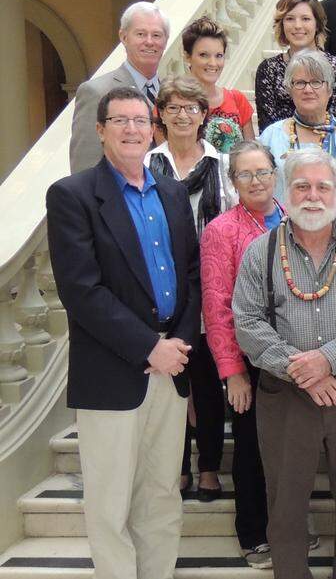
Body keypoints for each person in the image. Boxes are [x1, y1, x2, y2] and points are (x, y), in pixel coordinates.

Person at [47, 86, 199, 579]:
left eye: (140, 120)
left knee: (160, 494)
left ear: (153, 130)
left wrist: (175, 345)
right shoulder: (73, 196)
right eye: (120, 121)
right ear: (100, 130)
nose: (132, 129)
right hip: (114, 373)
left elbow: (191, 274)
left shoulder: (173, 193)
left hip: (171, 367)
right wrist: (148, 347)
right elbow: (82, 291)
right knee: (110, 503)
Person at [233, 149, 336, 579]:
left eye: (323, 186)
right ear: (287, 191)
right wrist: (300, 370)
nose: (312, 195)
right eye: (302, 186)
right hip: (284, 396)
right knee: (285, 508)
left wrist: (328, 359)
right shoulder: (260, 252)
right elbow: (246, 321)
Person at [144, 76, 235, 506]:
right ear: (160, 114)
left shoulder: (221, 165)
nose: (183, 115)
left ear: (204, 115)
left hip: (212, 285)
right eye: (173, 107)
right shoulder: (146, 166)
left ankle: (210, 467)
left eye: (191, 107)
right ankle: (177, 466)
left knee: (206, 380)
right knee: (171, 384)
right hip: (162, 288)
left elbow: (235, 222)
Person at [200, 141, 285, 569]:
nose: (257, 181)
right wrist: (233, 372)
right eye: (246, 175)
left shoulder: (293, 218)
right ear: (233, 182)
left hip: (293, 358)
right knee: (252, 449)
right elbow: (216, 307)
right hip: (249, 360)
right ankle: (254, 534)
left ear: (275, 173)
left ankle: (285, 526)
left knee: (289, 450)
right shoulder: (222, 230)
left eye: (263, 172)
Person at [258, 49, 336, 220]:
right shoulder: (271, 137)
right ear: (289, 90)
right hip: (282, 238)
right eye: (299, 83)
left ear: (329, 90)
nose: (308, 89)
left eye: (316, 82)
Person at [70, 2, 169, 171]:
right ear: (123, 37)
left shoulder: (171, 92)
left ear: (166, 40)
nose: (149, 42)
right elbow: (85, 165)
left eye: (157, 35)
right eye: (140, 34)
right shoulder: (96, 92)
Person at [255, 0, 336, 129]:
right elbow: (267, 128)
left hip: (328, 145)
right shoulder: (268, 69)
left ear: (317, 24)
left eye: (305, 19)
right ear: (281, 24)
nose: (298, 26)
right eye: (290, 19)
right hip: (282, 146)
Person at [180, 16, 255, 152]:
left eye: (219, 55)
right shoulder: (172, 104)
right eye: (204, 55)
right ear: (187, 56)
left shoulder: (237, 100)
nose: (213, 63)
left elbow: (250, 155)